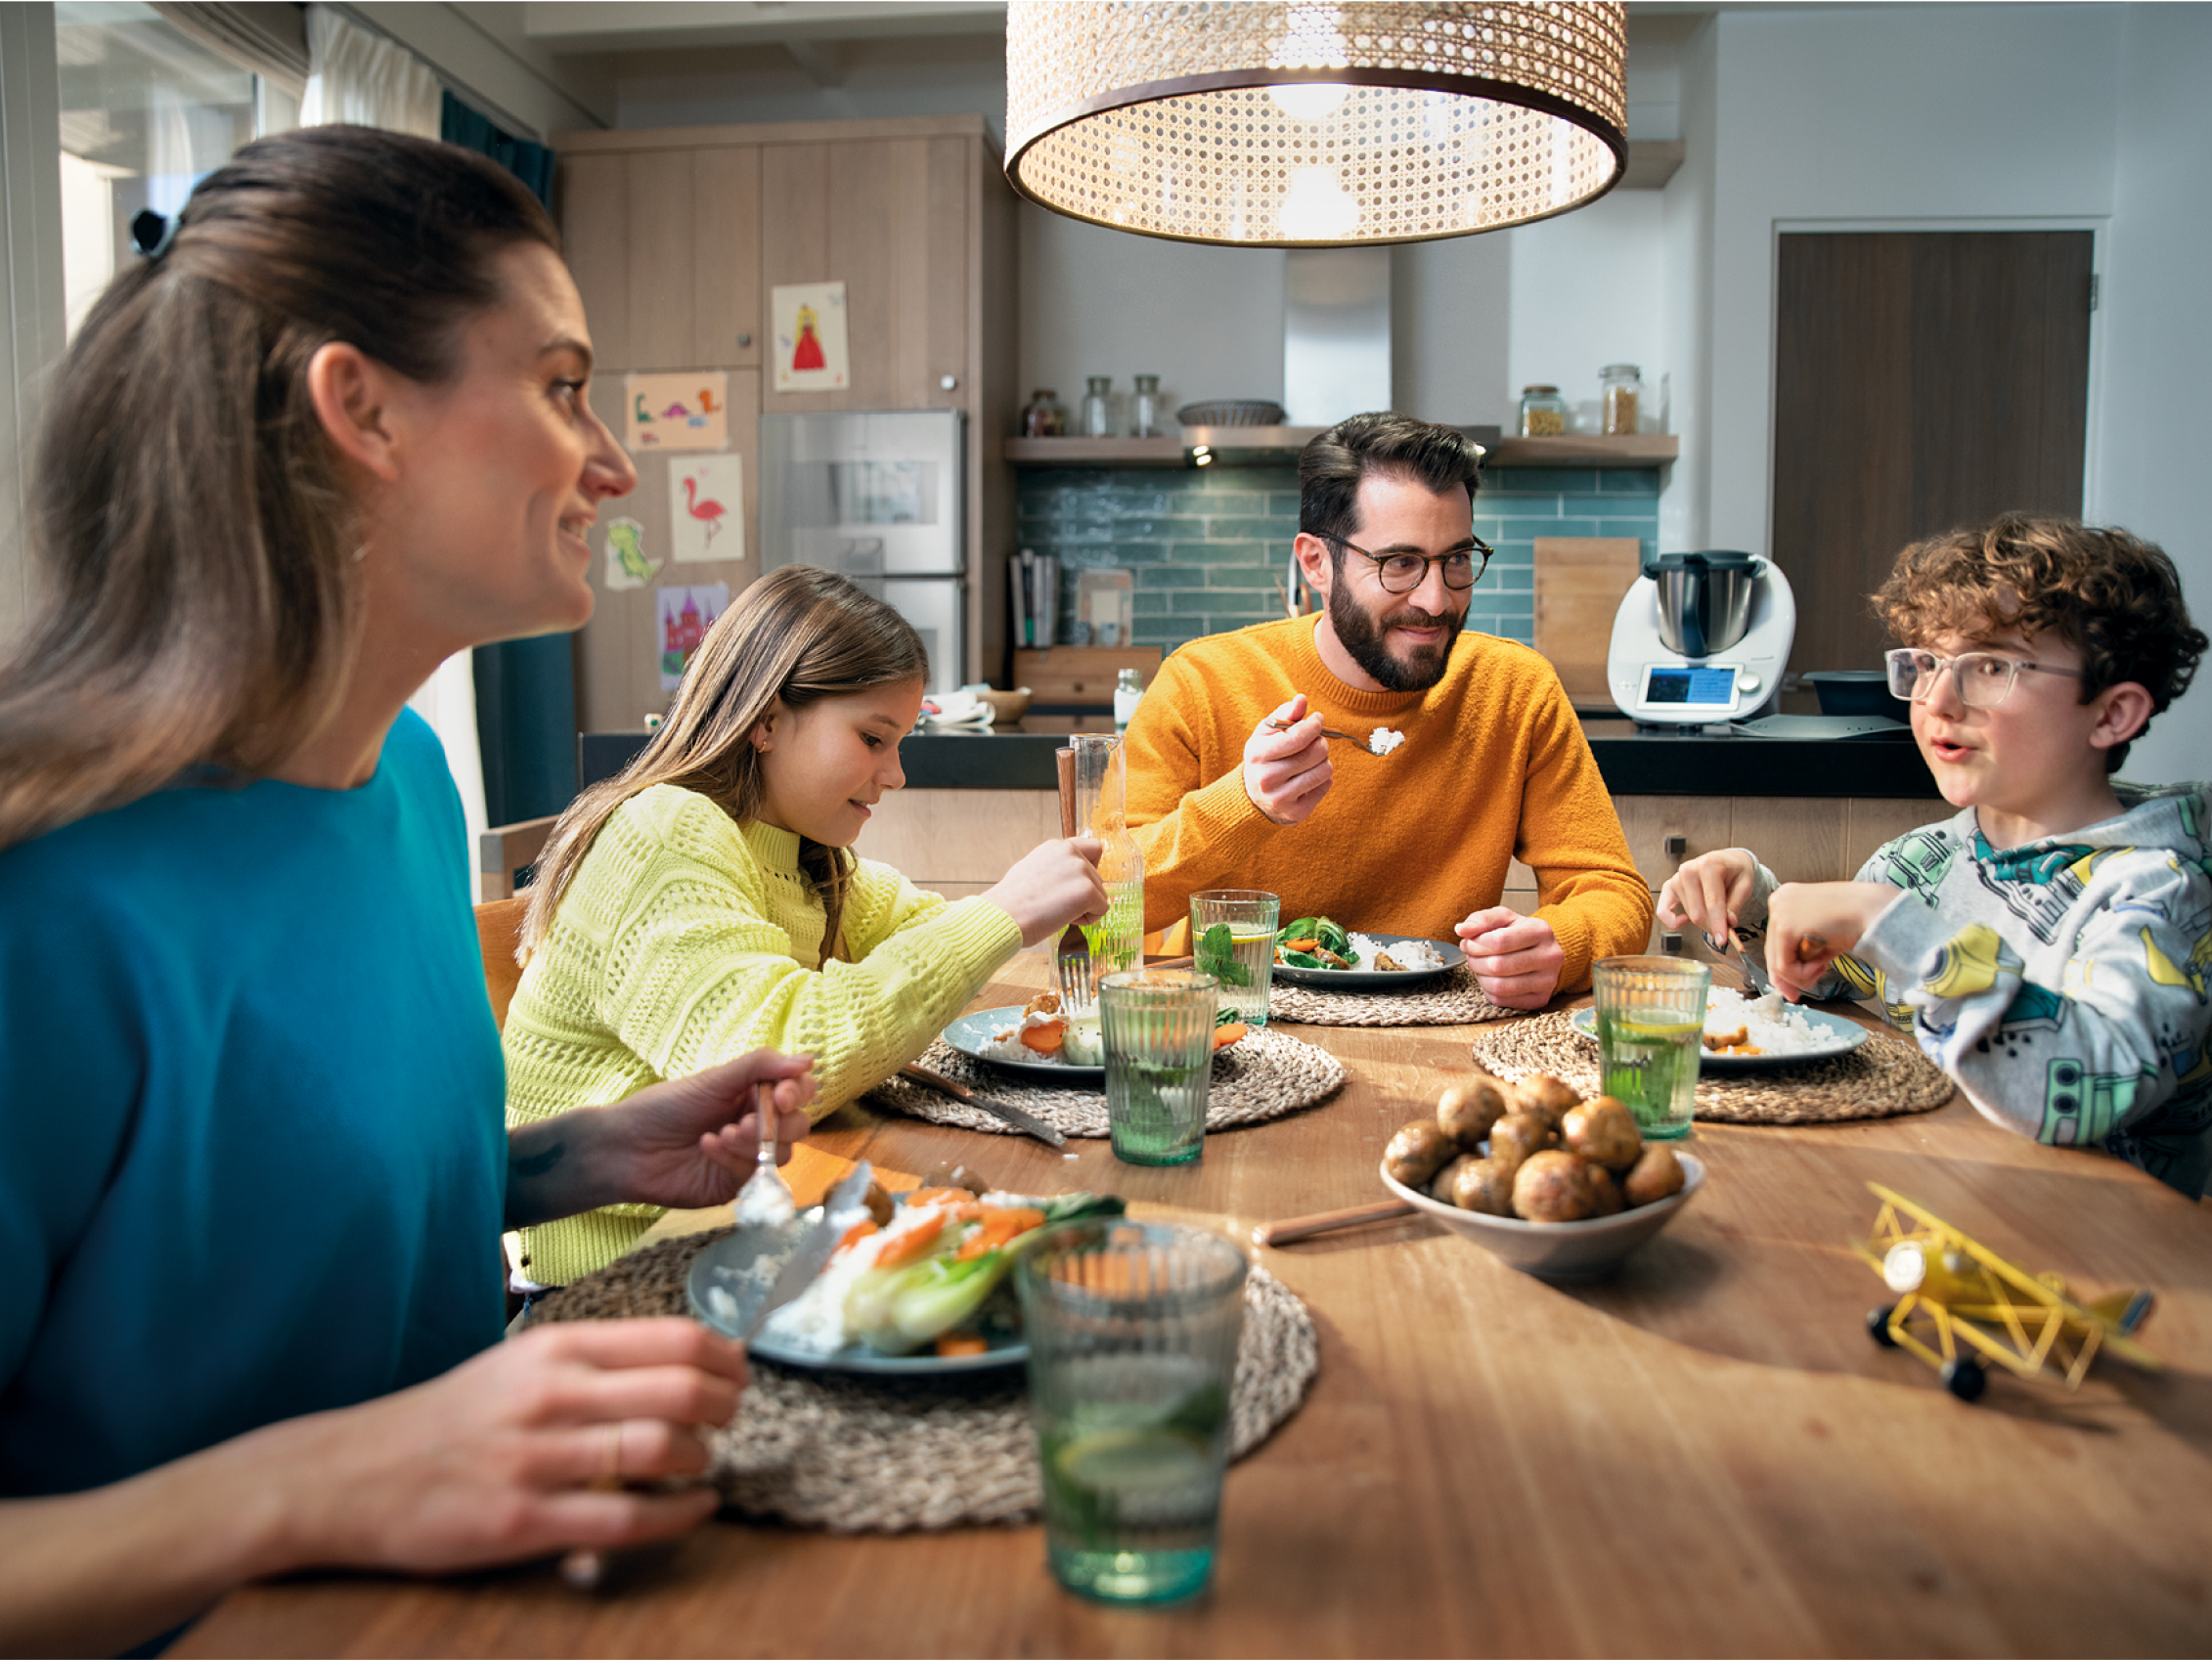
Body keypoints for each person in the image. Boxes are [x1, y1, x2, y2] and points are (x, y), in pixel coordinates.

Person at [0, 127, 823, 1655]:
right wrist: (320, 1485)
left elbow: (247, 1205)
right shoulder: (41, 903)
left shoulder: (402, 787)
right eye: (561, 382)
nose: (612, 458)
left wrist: (570, 1156)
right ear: (359, 407)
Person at [502, 564, 1110, 1284]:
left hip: (736, 1239)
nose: (896, 775)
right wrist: (1004, 911)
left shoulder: (807, 859)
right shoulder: (667, 834)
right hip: (618, 1278)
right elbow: (777, 1057)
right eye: (873, 738)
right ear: (765, 719)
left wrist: (1019, 921)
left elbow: (935, 937)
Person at [1659, 515, 2212, 1196]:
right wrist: (1760, 904)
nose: (1937, 700)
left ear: (2110, 714)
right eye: (1926, 662)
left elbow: (2081, 1092)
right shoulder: (1927, 856)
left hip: (2106, 1250)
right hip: (1951, 1193)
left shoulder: (2157, 892)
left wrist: (1885, 919)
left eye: (1990, 666)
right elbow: (1836, 978)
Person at [1121, 412, 1654, 1008]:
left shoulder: (1515, 688)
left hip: (1451, 1030)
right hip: (1245, 1033)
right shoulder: (1203, 683)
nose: (1436, 599)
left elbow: (1615, 892)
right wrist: (1243, 804)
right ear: (1316, 562)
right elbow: (1103, 906)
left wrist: (1563, 943)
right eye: (1399, 563)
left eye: (1456, 559)